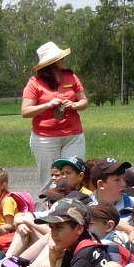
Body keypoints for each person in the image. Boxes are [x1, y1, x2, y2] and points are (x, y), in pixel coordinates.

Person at [21, 42, 88, 190]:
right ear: (50, 62)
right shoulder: (35, 83)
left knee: (74, 177)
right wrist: (48, 105)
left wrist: (74, 105)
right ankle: (48, 209)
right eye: (59, 57)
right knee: (50, 180)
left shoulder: (71, 76)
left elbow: (84, 101)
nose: (63, 59)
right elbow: (25, 111)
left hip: (73, 136)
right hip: (45, 138)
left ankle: (74, 208)